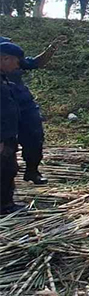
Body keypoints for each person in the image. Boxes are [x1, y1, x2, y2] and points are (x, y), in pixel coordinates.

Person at [0, 35, 65, 186]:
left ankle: (32, 171)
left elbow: (36, 63)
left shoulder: (13, 59)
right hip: (4, 109)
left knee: (35, 137)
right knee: (6, 145)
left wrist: (51, 49)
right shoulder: (5, 56)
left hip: (24, 104)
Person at [1, 42, 23, 215]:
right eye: (16, 61)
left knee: (9, 168)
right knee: (5, 169)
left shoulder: (3, 78)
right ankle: (4, 206)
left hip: (8, 135)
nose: (18, 65)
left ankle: (6, 202)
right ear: (5, 58)